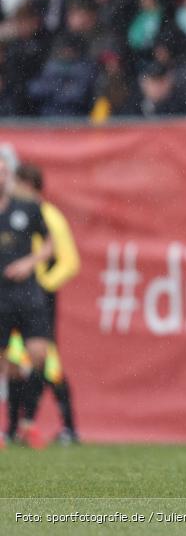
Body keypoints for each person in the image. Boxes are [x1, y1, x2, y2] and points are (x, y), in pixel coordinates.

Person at [12, 164, 81, 444]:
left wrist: (42, 285)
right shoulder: (14, 213)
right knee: (17, 359)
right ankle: (15, 427)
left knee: (47, 360)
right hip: (15, 296)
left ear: (28, 186)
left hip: (38, 298)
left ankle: (69, 426)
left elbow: (69, 261)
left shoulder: (49, 216)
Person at [0, 153, 54, 449]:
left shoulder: (28, 208)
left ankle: (28, 425)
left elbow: (50, 244)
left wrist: (29, 263)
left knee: (39, 355)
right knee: (7, 363)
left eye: (3, 172)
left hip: (28, 295)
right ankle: (17, 375)